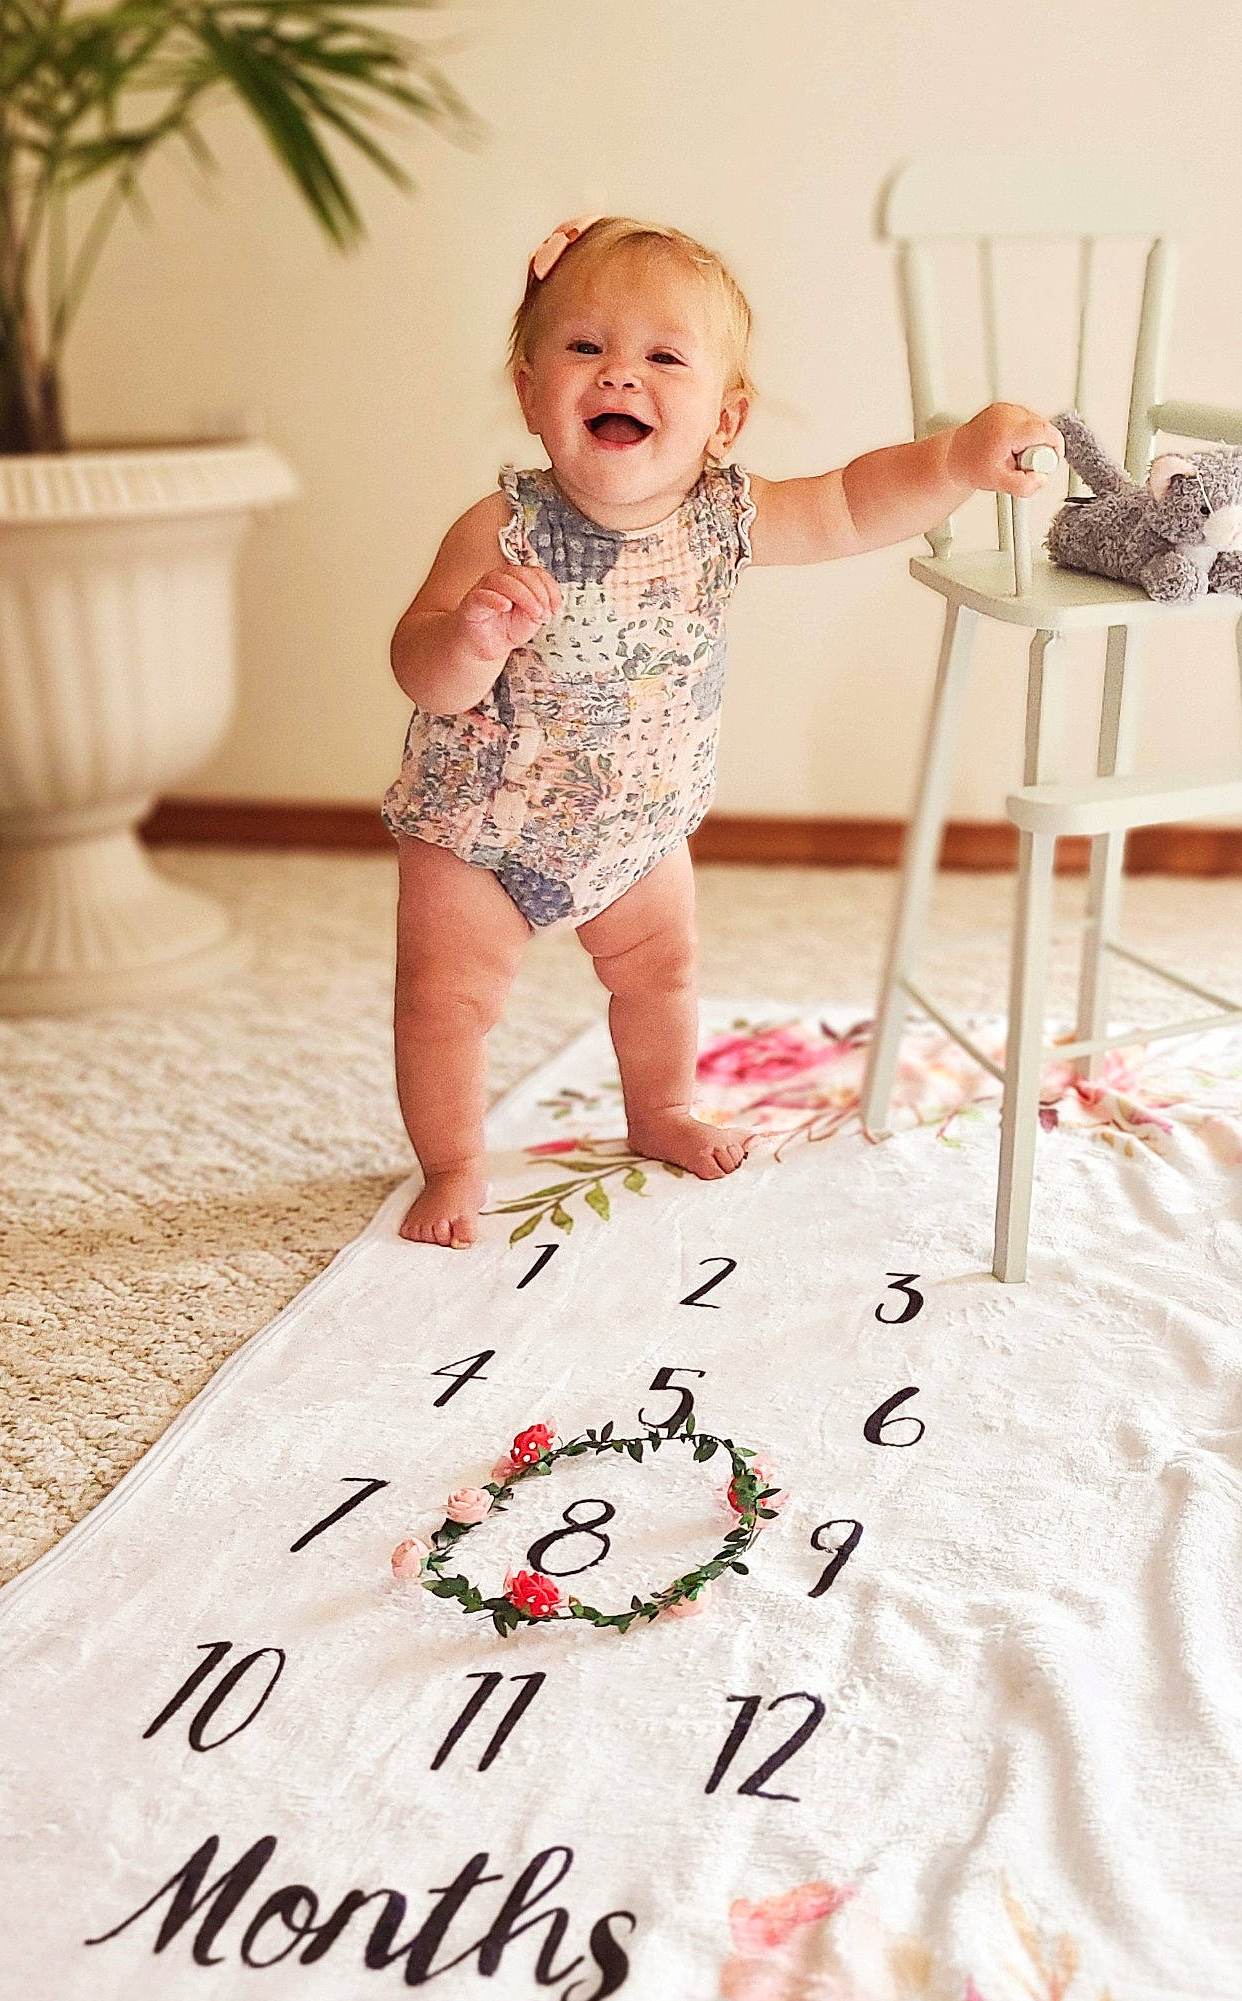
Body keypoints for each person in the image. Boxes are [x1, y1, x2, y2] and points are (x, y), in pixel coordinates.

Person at [383, 215, 1061, 1247]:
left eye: (662, 356)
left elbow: (847, 502)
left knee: (660, 973)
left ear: (723, 420)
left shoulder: (721, 516)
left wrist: (957, 458)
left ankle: (657, 1113)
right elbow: (417, 668)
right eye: (583, 349)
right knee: (443, 1003)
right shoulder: (498, 529)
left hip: (639, 830)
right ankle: (453, 1161)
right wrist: (471, 635)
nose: (620, 375)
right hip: (483, 828)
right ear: (530, 393)